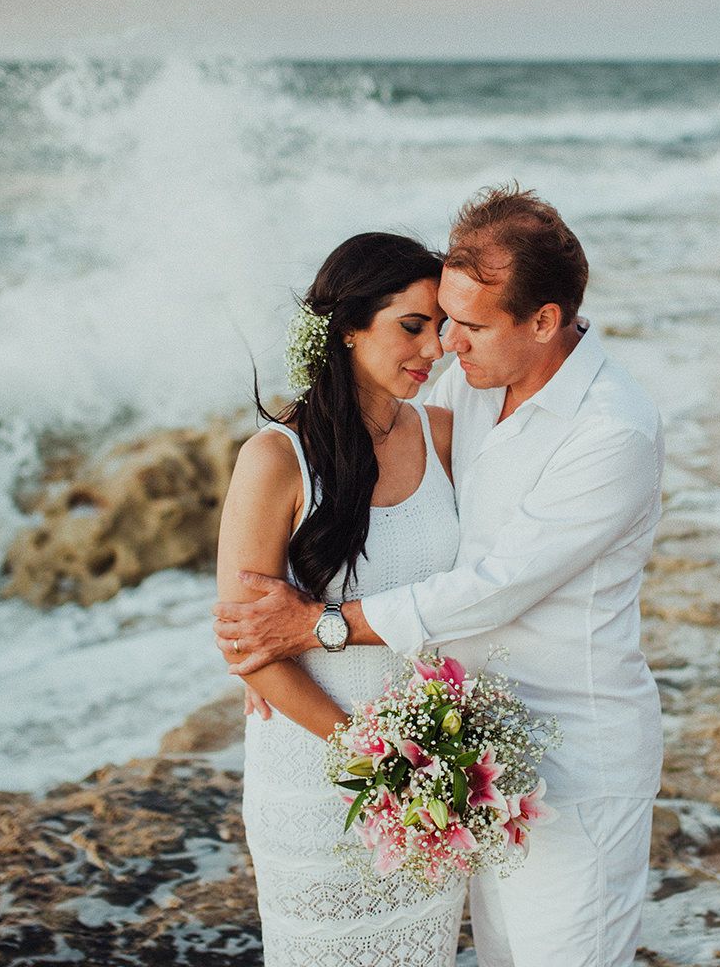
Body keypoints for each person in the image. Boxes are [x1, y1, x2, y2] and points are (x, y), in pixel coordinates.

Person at [216, 185, 665, 967]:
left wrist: (319, 629)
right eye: (437, 321)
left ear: (544, 321)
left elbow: (491, 581)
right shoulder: (467, 381)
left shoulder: (610, 433)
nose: (446, 345)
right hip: (465, 760)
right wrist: (269, 657)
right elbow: (250, 616)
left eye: (466, 325)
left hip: (570, 764)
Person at [217, 231, 466, 965]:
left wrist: (427, 767)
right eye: (411, 326)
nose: (433, 349)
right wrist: (380, 762)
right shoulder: (275, 459)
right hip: (319, 781)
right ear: (350, 327)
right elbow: (247, 649)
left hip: (428, 773)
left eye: (442, 329)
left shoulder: (445, 436)